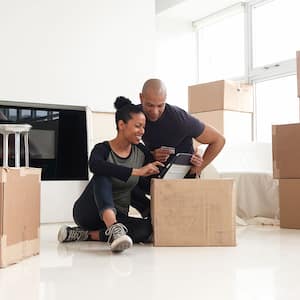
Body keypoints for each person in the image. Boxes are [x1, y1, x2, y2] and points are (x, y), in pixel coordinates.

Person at [57, 96, 163, 253]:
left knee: (146, 230)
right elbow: (95, 165)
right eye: (138, 126)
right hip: (88, 212)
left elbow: (149, 183)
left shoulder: (141, 152)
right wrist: (136, 171)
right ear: (122, 125)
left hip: (119, 216)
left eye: (144, 127)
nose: (142, 131)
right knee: (103, 173)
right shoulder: (103, 149)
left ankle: (87, 235)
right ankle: (112, 227)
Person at [130, 78, 225, 217]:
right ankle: (149, 211)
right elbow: (125, 150)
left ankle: (163, 212)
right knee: (119, 176)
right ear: (141, 98)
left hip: (182, 178)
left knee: (179, 217)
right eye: (149, 105)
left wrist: (198, 167)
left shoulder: (180, 119)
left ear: (166, 100)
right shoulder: (134, 116)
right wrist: (151, 155)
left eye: (160, 105)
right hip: (155, 173)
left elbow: (219, 140)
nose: (155, 112)